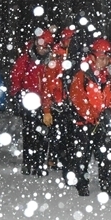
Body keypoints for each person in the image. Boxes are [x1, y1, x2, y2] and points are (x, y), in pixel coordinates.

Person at [67, 37, 111, 197]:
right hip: (85, 122)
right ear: (93, 57)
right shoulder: (82, 76)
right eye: (101, 57)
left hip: (104, 123)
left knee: (106, 155)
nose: (104, 61)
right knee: (82, 154)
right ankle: (81, 182)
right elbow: (77, 97)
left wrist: (110, 110)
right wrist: (91, 115)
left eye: (107, 58)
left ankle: (107, 183)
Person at [10, 28, 53, 176]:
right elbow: (16, 77)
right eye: (40, 44)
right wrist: (18, 93)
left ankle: (40, 163)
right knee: (29, 133)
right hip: (28, 101)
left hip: (44, 102)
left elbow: (49, 84)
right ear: (35, 43)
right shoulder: (25, 59)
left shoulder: (50, 62)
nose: (42, 48)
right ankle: (28, 161)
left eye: (45, 45)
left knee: (43, 134)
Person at [42, 27, 75, 172]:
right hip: (58, 104)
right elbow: (48, 87)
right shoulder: (55, 58)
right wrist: (47, 109)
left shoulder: (76, 57)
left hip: (71, 103)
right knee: (57, 134)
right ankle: (54, 159)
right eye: (68, 39)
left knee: (68, 134)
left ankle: (65, 159)